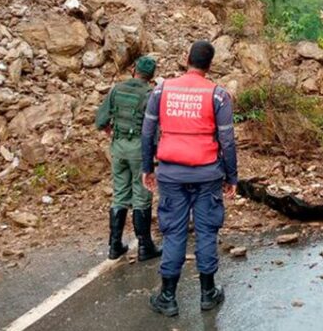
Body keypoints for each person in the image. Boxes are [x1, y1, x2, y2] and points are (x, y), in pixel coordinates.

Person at [141, 40, 239, 317]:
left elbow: (147, 132)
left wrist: (147, 167)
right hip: (208, 173)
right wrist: (232, 176)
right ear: (210, 65)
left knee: (174, 232)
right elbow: (227, 141)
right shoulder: (218, 95)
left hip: (171, 173)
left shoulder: (162, 89)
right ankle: (208, 294)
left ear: (186, 59)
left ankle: (168, 297)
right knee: (207, 231)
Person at [95, 56, 162, 262]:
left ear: (134, 70)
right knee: (142, 194)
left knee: (120, 194)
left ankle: (114, 245)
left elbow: (101, 120)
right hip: (140, 149)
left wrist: (112, 132)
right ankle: (144, 246)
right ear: (151, 76)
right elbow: (156, 129)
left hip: (118, 146)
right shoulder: (150, 94)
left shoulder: (116, 89)